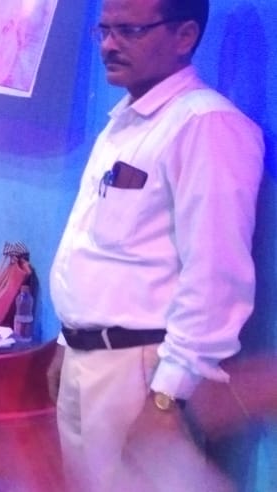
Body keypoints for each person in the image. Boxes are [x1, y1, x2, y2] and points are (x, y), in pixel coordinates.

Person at [47, 1, 263, 491]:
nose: (108, 45)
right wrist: (66, 343)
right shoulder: (124, 123)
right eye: (104, 30)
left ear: (184, 36)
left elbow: (216, 277)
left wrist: (167, 395)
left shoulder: (205, 125)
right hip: (88, 361)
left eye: (129, 30)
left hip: (139, 370)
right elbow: (96, 250)